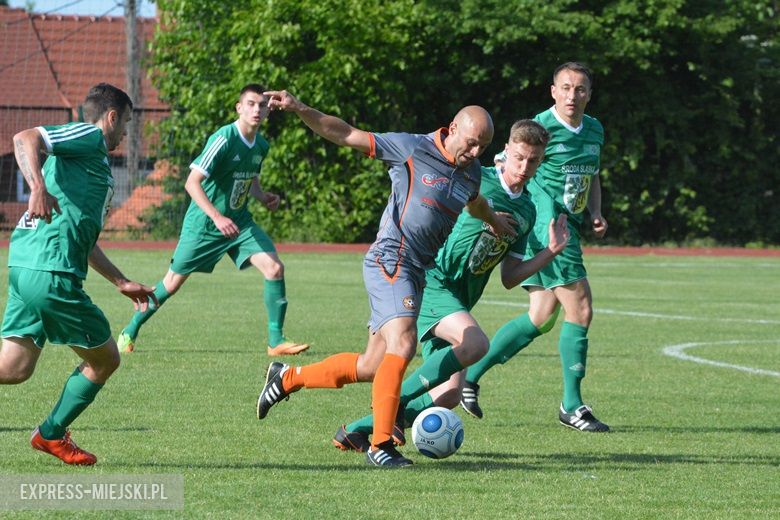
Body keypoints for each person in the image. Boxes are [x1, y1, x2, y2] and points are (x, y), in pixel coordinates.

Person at [256, 89, 517, 467]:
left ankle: (286, 378)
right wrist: (299, 109)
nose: (476, 153)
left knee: (372, 365)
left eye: (484, 147)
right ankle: (380, 444)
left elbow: (475, 202)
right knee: (405, 341)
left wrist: (494, 221)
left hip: (417, 270)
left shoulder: (471, 171)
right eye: (472, 144)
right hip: (391, 259)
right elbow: (345, 133)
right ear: (454, 128)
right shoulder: (412, 148)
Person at [333, 120, 569, 450]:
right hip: (432, 281)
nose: (524, 167)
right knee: (475, 344)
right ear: (506, 151)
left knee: (449, 395)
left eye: (533, 161)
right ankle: (391, 405)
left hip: (460, 300)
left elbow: (510, 276)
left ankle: (359, 428)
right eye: (519, 157)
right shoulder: (476, 179)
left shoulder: (527, 209)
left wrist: (550, 252)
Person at [0, 83, 157, 465]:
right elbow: (26, 137)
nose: (125, 134)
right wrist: (36, 186)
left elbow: (83, 238)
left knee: (13, 367)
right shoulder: (88, 135)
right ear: (112, 116)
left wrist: (120, 281)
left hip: (29, 265)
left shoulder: (94, 168)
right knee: (106, 360)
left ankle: (51, 434)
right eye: (127, 125)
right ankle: (50, 434)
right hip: (50, 270)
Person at [461, 61, 610, 432]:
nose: (572, 95)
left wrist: (595, 211)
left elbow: (592, 174)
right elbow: (504, 162)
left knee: (541, 316)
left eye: (580, 89)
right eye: (566, 88)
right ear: (553, 91)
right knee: (582, 309)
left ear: (589, 94)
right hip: (550, 231)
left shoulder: (594, 130)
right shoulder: (540, 128)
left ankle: (469, 377)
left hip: (568, 226)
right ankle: (572, 406)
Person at [117, 84, 309, 357]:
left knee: (274, 268)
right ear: (239, 108)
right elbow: (191, 182)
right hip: (205, 225)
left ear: (269, 110)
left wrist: (262, 196)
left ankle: (275, 341)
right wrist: (217, 217)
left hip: (239, 223)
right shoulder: (224, 138)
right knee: (171, 284)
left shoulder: (261, 146)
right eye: (251, 104)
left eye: (262, 105)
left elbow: (249, 177)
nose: (257, 110)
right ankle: (130, 329)